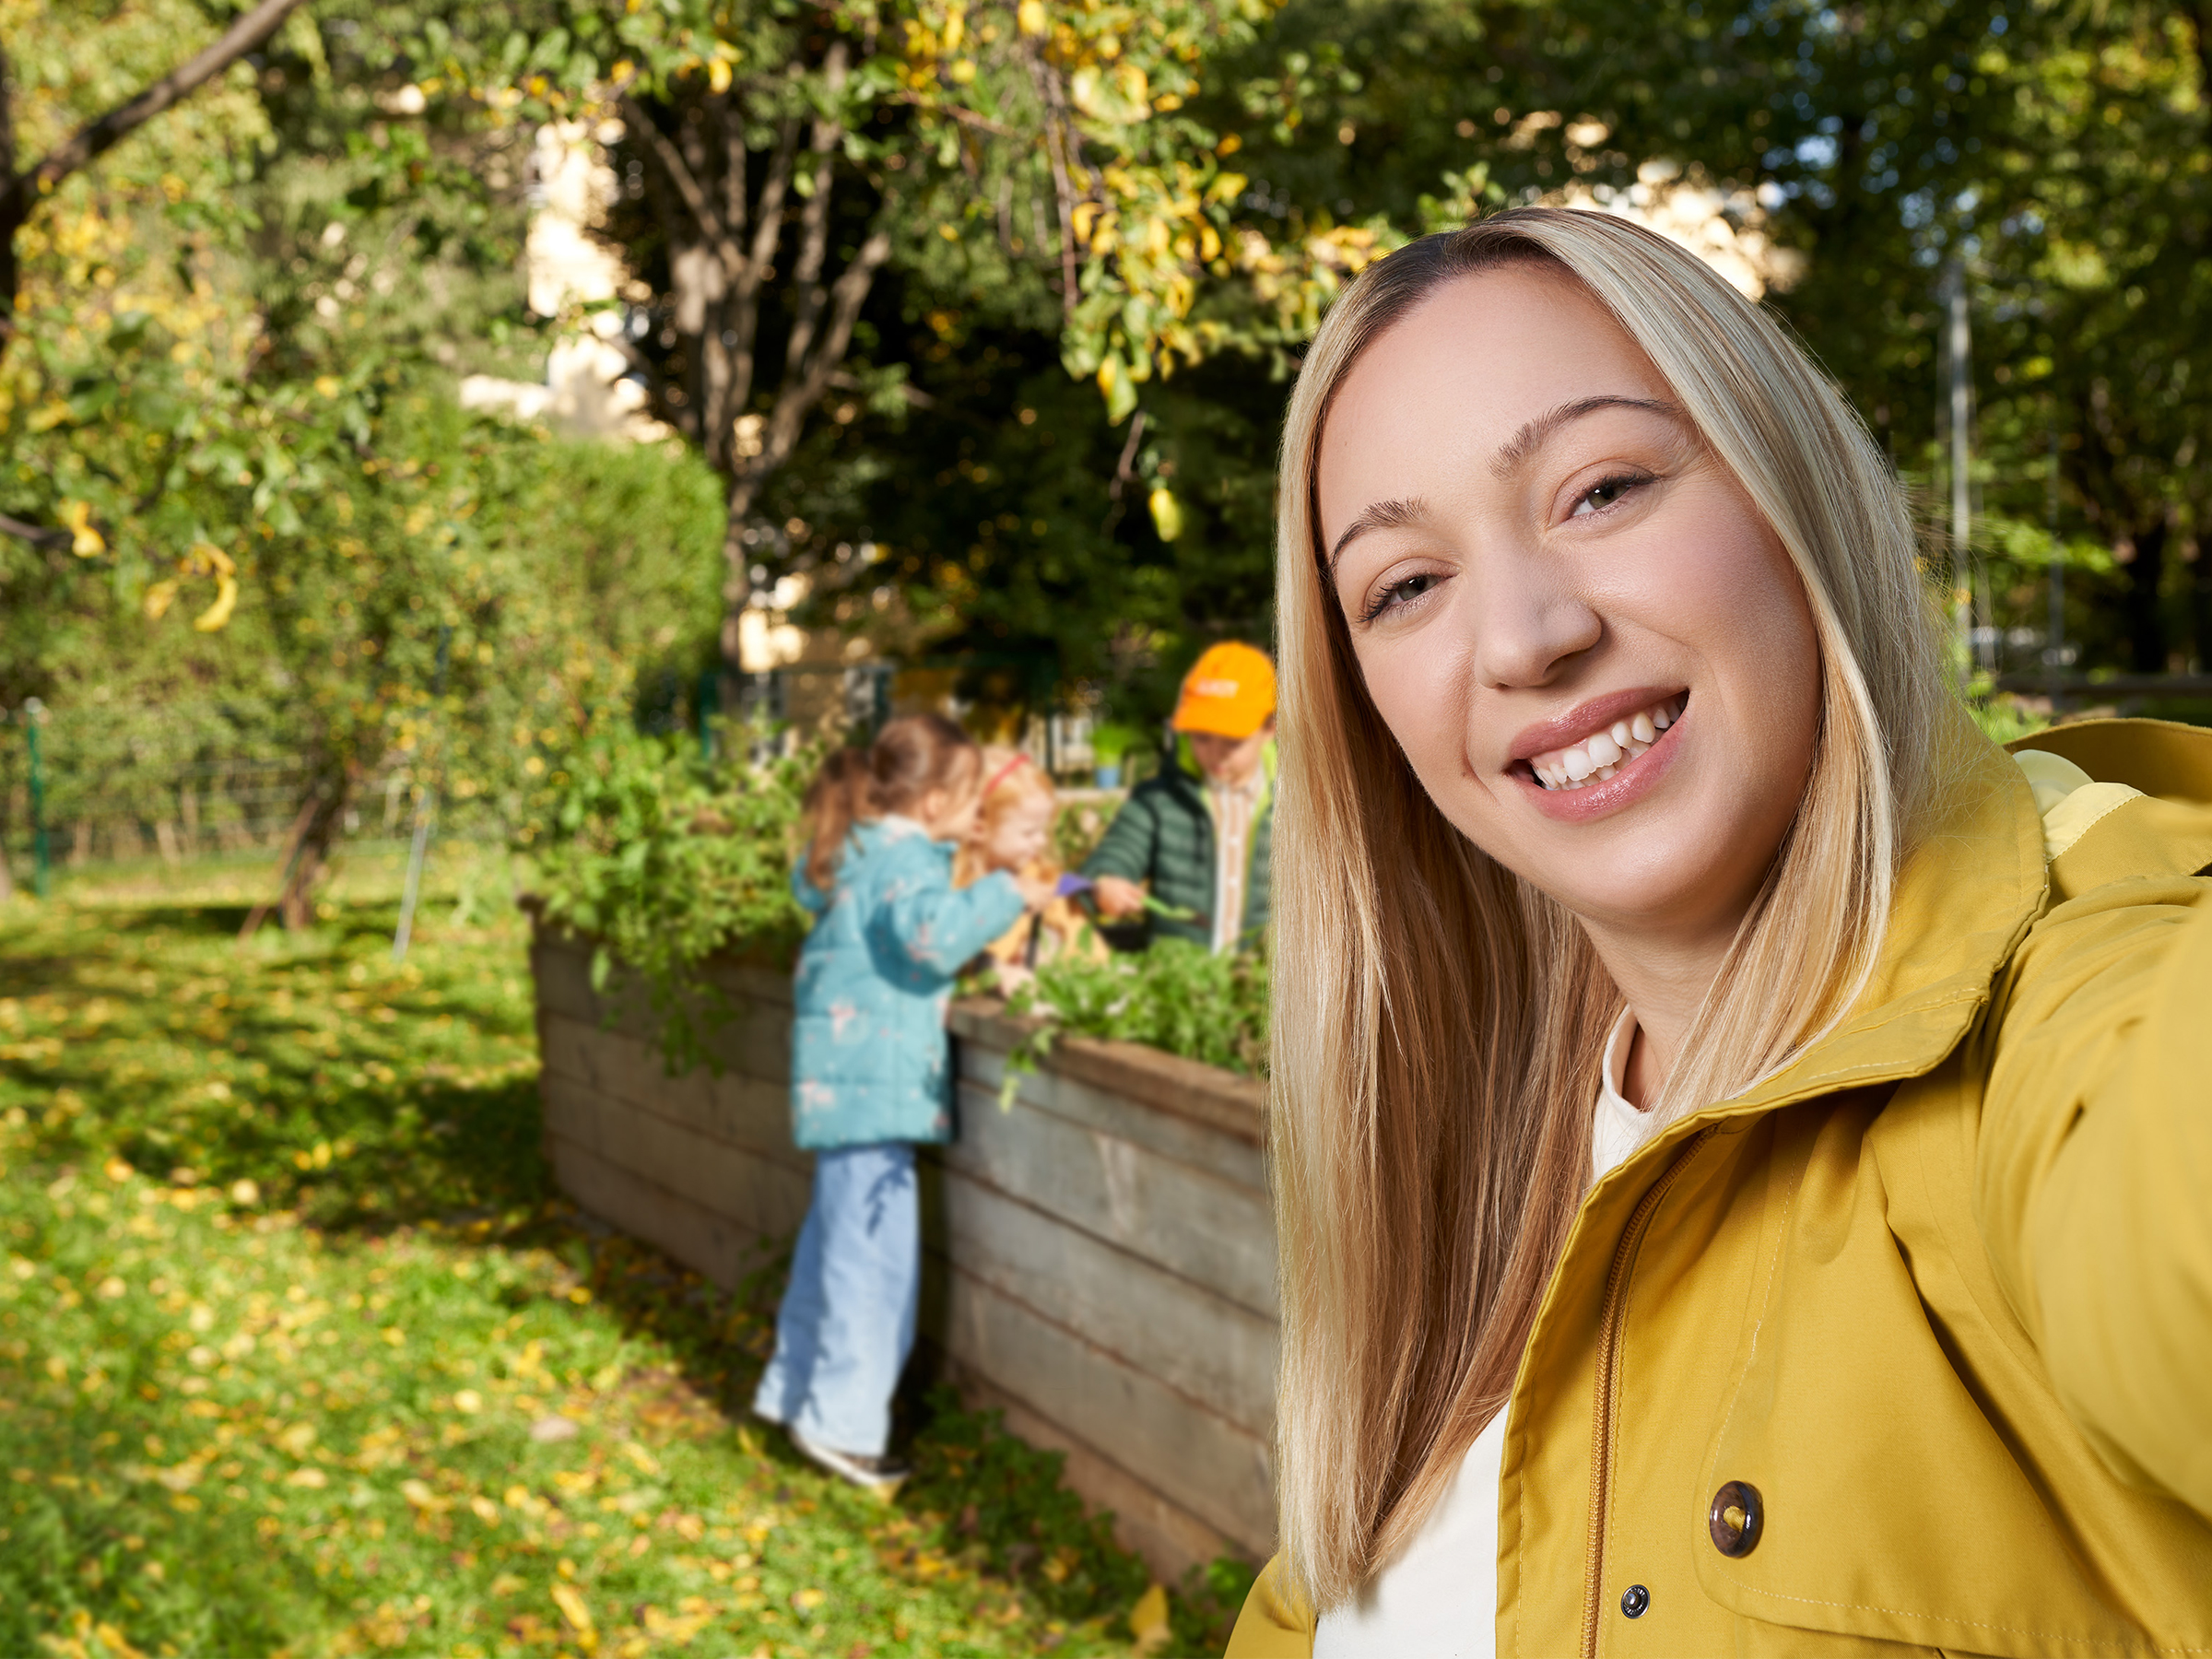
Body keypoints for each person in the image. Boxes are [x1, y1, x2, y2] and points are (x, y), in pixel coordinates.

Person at [1229, 208, 2212, 1655]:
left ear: (1789, 488)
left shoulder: (2082, 982)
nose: (1523, 637)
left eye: (1604, 488)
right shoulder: (1456, 1203)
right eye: (1407, 586)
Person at [753, 713, 1051, 1492]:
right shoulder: (903, 861)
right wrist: (1004, 890)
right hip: (873, 1090)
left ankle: (798, 1394)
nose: (974, 816)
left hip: (844, 1089)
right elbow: (929, 937)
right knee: (873, 1270)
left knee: (835, 1253)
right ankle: (843, 1431)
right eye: (967, 802)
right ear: (932, 803)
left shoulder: (855, 851)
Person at [1083, 641, 1277, 954]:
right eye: (1201, 738)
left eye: (1232, 741)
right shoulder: (1159, 800)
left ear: (1270, 728)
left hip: (1263, 985)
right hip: (1177, 980)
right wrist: (1106, 881)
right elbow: (1117, 852)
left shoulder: (1298, 807)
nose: (1215, 754)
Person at [953, 747, 1107, 994]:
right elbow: (946, 953)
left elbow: (1088, 950)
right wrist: (993, 970)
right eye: (1028, 833)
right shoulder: (956, 889)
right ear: (980, 828)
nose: (1042, 841)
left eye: (1043, 829)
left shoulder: (1044, 881)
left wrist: (1053, 946)